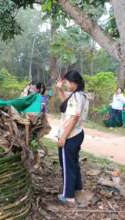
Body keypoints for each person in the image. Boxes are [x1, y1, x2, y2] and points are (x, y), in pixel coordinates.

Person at [56, 70, 89, 205]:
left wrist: (63, 137)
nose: (67, 85)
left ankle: (68, 196)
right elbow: (66, 105)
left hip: (70, 135)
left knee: (67, 166)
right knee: (73, 163)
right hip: (78, 133)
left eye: (68, 83)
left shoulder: (76, 97)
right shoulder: (80, 95)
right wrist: (59, 89)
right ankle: (77, 188)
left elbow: (74, 117)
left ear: (74, 82)